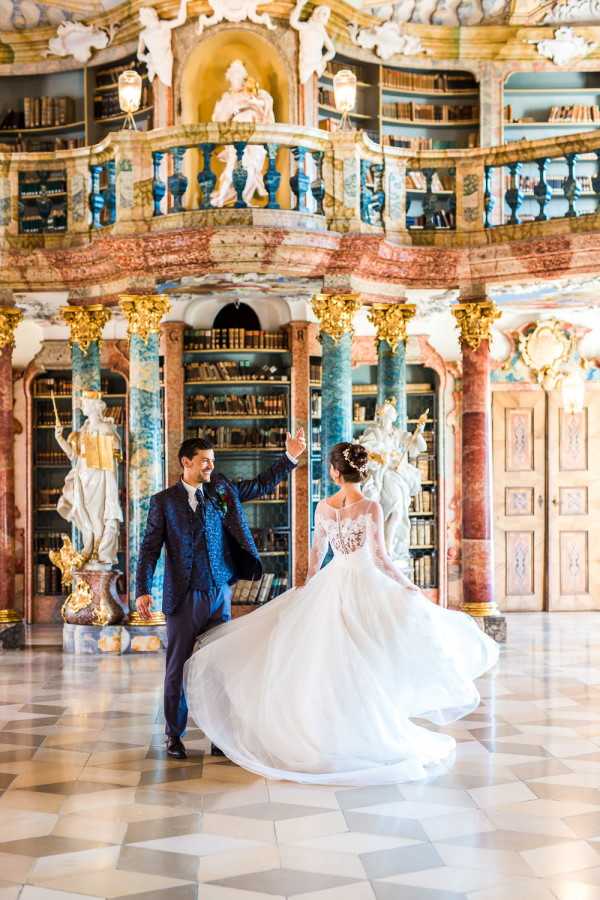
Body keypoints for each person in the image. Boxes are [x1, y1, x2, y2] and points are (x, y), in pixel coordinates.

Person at [184, 441, 499, 785]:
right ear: (360, 471)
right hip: (365, 584)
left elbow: (317, 557)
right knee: (370, 658)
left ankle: (327, 731)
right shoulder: (371, 507)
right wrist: (406, 584)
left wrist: (305, 590)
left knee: (329, 661)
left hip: (332, 584)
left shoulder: (323, 508)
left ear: (334, 472)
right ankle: (365, 726)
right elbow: (380, 558)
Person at [135, 429, 306, 759]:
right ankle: (174, 735)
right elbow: (149, 550)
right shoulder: (164, 503)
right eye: (204, 462)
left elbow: (259, 485)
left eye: (212, 461)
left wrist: (289, 457)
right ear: (186, 462)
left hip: (218, 593)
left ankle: (220, 737)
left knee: (219, 668)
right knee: (177, 669)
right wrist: (142, 589)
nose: (210, 467)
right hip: (183, 598)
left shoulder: (221, 490)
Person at [55, 391, 123, 569]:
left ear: (93, 406)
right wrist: (59, 438)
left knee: (97, 514)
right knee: (82, 511)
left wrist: (108, 443)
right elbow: (72, 455)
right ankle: (89, 545)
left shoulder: (105, 428)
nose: (82, 406)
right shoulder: (83, 429)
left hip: (99, 476)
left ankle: (98, 551)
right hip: (82, 475)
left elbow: (116, 451)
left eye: (84, 403)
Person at [210, 59, 275, 207]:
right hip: (236, 137)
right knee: (232, 168)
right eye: (233, 77)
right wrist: (230, 111)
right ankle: (224, 197)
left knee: (251, 168)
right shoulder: (228, 98)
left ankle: (244, 198)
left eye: (239, 77)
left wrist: (255, 102)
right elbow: (218, 119)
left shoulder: (256, 93)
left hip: (253, 138)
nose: (236, 80)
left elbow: (266, 106)